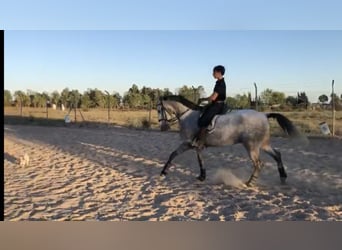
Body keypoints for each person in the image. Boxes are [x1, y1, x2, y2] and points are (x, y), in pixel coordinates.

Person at [192, 65, 226, 149]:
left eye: (214, 72)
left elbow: (213, 97)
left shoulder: (220, 83)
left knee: (203, 120)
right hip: (216, 103)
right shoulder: (219, 82)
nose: (212, 74)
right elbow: (213, 96)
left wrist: (203, 99)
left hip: (217, 105)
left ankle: (201, 142)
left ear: (218, 72)